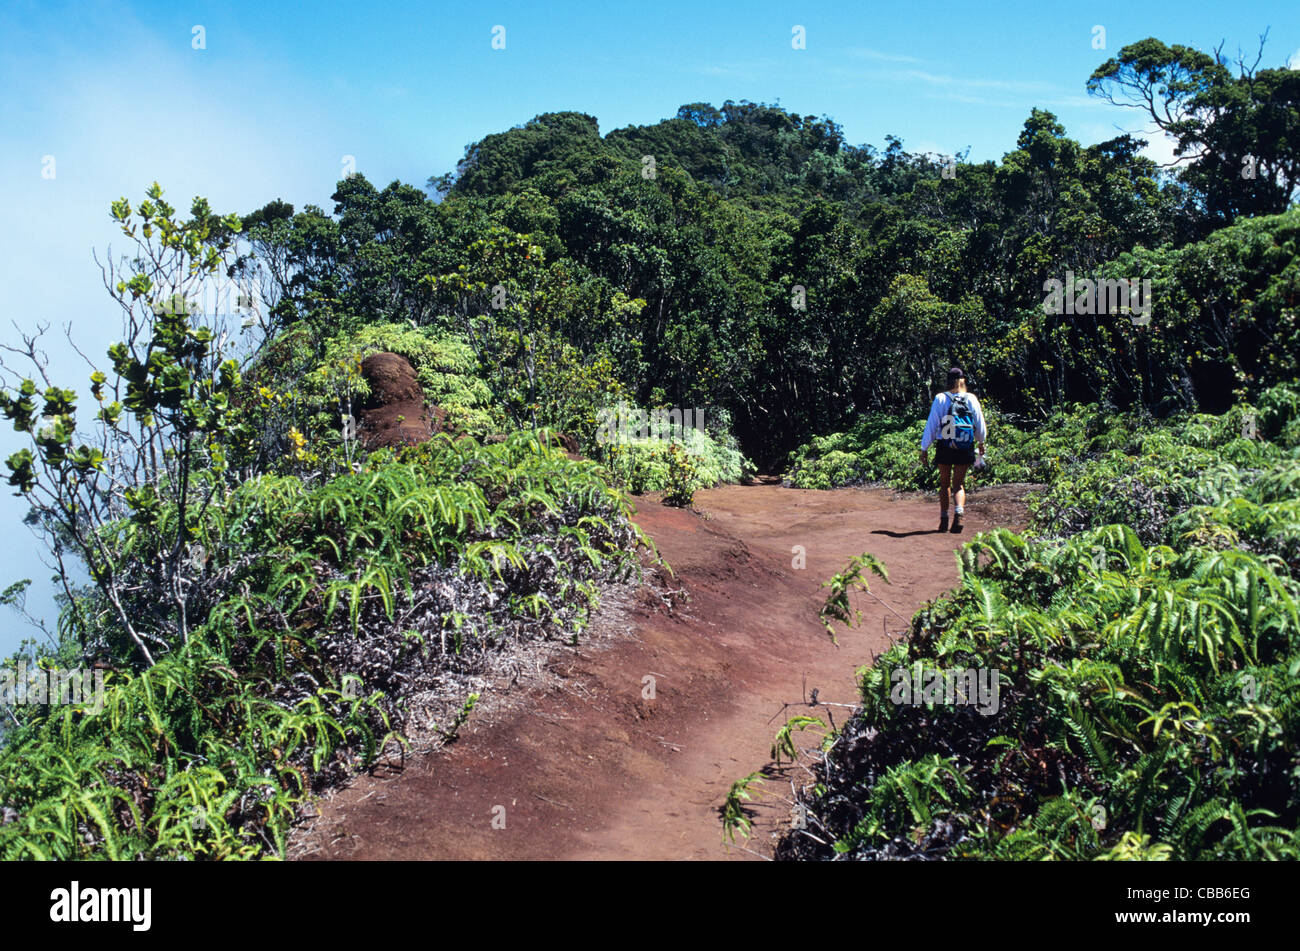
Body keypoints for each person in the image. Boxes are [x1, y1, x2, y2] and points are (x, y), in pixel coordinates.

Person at [918, 367, 987, 533]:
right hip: (965, 446)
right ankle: (959, 514)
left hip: (945, 446)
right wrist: (980, 442)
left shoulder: (940, 398)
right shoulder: (971, 398)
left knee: (944, 483)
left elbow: (932, 425)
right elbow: (979, 423)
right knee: (959, 483)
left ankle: (943, 519)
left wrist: (924, 448)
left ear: (947, 380)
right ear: (963, 380)